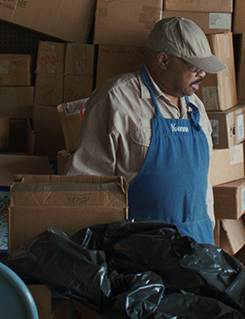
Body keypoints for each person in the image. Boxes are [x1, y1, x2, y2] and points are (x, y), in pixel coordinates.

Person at [65, 17, 227, 245]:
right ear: (163, 60)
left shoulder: (196, 108)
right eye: (194, 67)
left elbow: (203, 187)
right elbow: (85, 185)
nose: (203, 74)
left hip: (198, 250)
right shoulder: (117, 100)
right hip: (139, 256)